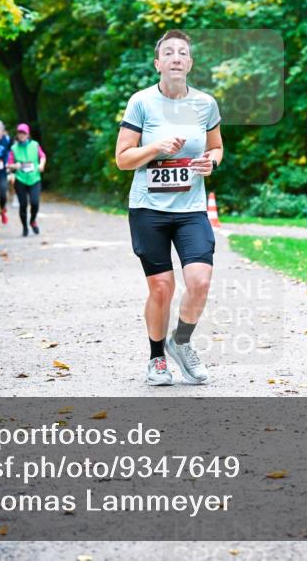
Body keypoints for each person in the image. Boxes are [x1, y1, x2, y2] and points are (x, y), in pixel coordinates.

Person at [114, 29, 223, 386]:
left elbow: (217, 147)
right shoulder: (141, 103)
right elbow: (123, 159)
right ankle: (156, 358)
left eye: (183, 53)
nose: (176, 57)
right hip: (149, 209)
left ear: (190, 63)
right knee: (162, 287)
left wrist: (212, 162)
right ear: (158, 63)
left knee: (200, 281)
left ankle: (182, 342)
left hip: (190, 209)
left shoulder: (205, 104)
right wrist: (156, 148)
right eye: (169, 53)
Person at [8, 123, 47, 237]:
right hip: (20, 180)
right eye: (20, 133)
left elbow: (43, 156)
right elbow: (9, 164)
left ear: (28, 134)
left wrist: (41, 165)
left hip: (34, 178)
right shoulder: (14, 148)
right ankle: (25, 226)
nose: (22, 135)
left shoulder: (35, 145)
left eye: (24, 133)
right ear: (17, 134)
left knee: (35, 202)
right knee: (23, 204)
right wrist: (15, 166)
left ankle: (32, 221)